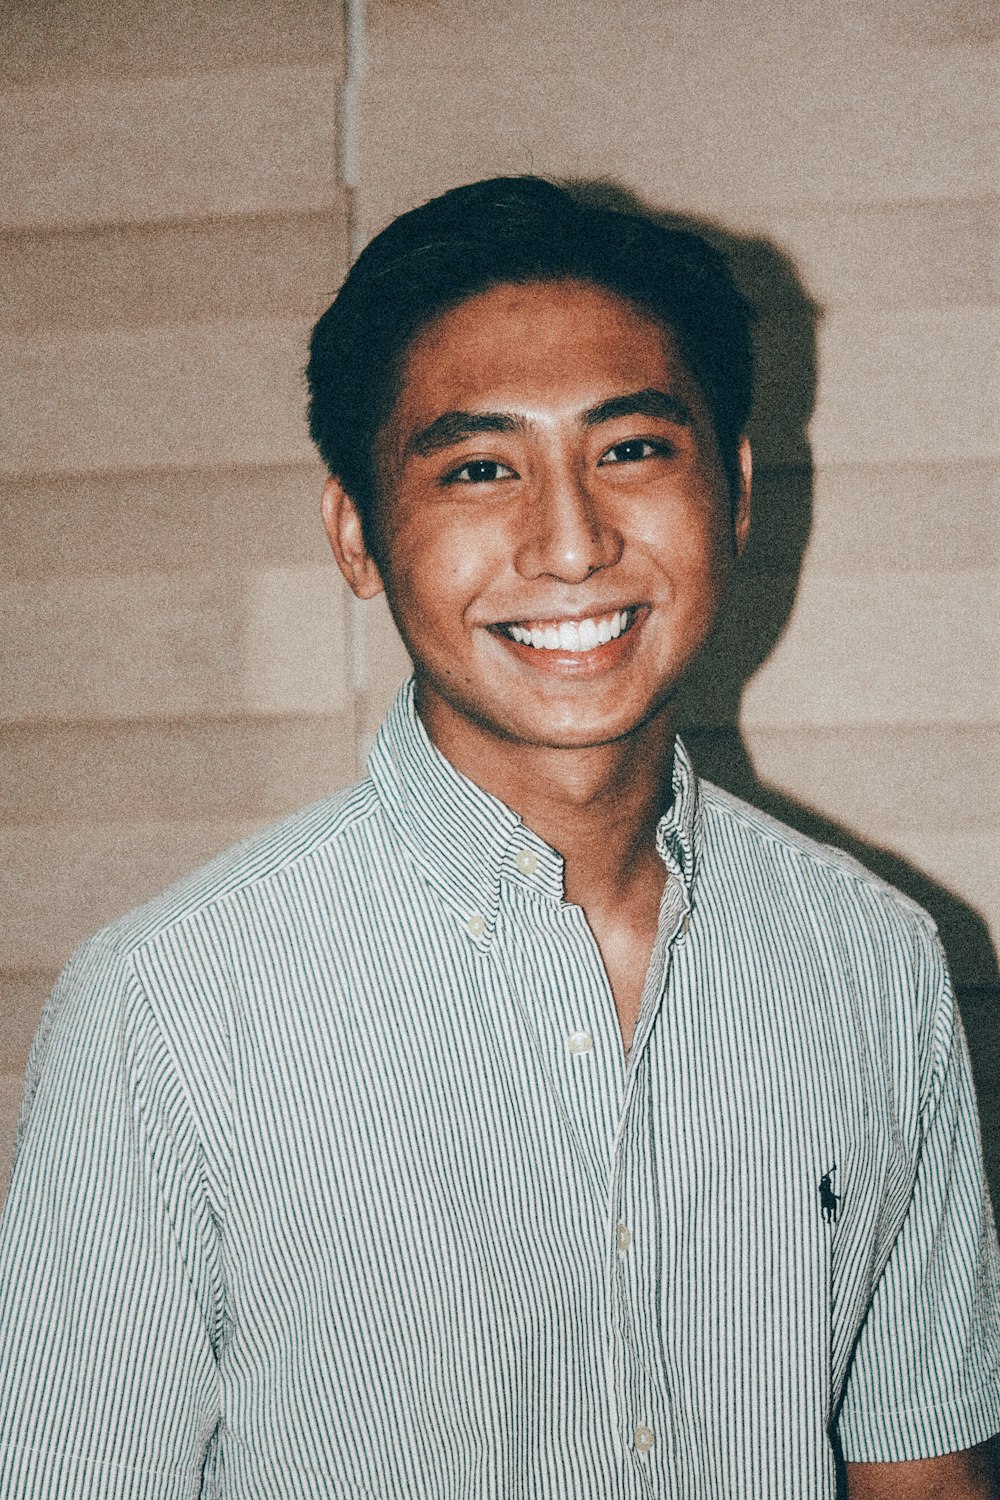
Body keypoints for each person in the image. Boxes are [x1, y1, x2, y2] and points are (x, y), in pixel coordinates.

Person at [0, 177, 997, 1499]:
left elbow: (921, 1477)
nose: (572, 543)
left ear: (737, 492)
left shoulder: (874, 962)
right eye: (479, 468)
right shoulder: (168, 1011)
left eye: (632, 450)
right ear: (358, 533)